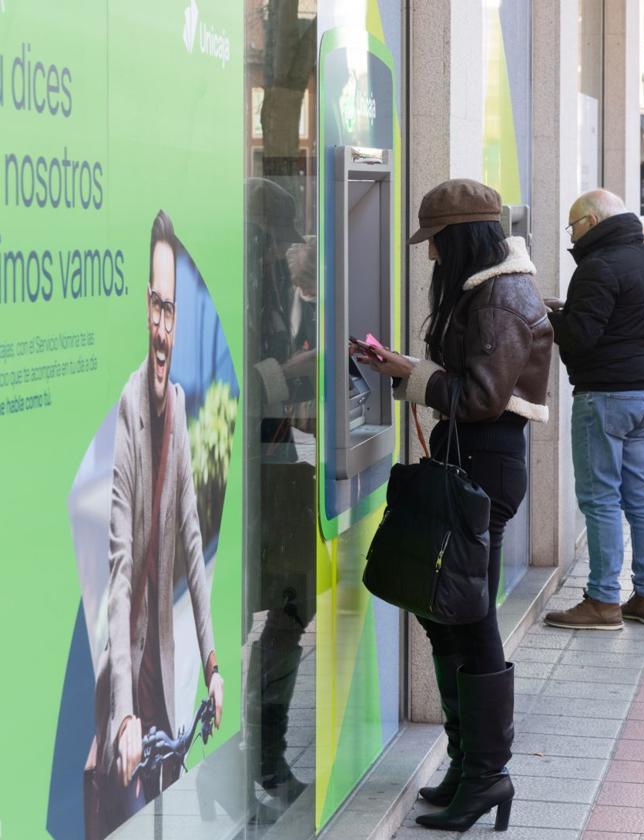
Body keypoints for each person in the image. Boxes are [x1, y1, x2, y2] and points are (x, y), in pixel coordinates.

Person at [354, 179, 553, 832]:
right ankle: (466, 763)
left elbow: (478, 399)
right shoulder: (488, 290)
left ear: (461, 238)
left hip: (485, 462)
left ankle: (487, 774)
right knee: (446, 615)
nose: (432, 256)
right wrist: (401, 366)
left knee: (468, 618)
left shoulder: (499, 295)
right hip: (471, 457)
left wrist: (406, 375)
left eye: (436, 242)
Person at [92, 210, 225, 835]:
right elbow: (120, 578)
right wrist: (121, 716)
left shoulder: (177, 406)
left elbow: (193, 550)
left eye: (173, 312)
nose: (163, 327)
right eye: (157, 307)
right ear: (146, 307)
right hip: (125, 676)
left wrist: (215, 664)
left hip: (163, 672)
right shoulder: (130, 407)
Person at [542, 189, 644, 630]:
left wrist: (544, 317)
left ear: (593, 222)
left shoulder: (598, 266)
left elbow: (579, 336)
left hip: (603, 397)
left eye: (573, 226)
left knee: (599, 500)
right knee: (640, 495)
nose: (572, 235)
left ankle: (602, 600)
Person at [244, 178, 316, 809]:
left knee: (292, 608)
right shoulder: (241, 276)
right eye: (271, 241)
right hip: (245, 466)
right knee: (255, 612)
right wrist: (289, 373)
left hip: (279, 457)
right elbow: (233, 375)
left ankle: (265, 759)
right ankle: (256, 763)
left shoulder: (271, 281)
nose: (277, 254)